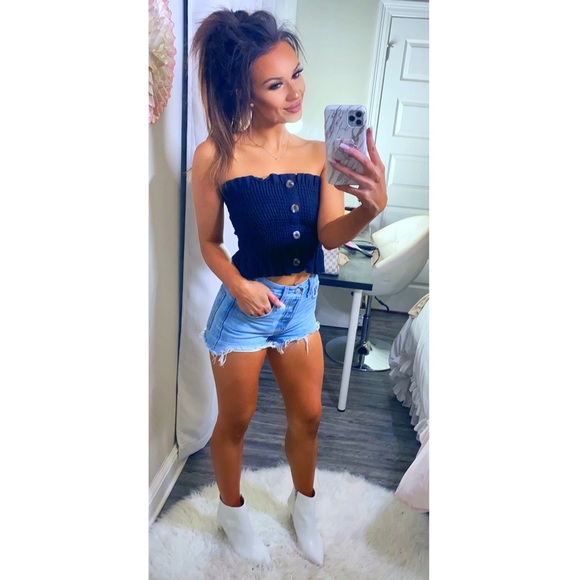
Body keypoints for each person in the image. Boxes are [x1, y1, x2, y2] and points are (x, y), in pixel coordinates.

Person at [191, 9, 387, 567]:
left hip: (300, 306)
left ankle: (305, 507)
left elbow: (328, 235)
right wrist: (239, 286)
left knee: (309, 417)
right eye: (276, 84)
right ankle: (232, 512)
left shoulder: (319, 153)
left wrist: (368, 210)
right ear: (243, 92)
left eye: (296, 73)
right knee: (235, 422)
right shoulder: (215, 156)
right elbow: (209, 243)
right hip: (245, 311)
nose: (296, 91)